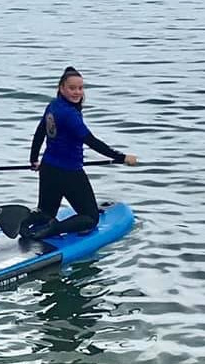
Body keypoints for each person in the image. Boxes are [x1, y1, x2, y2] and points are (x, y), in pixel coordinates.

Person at [22, 67, 138, 240]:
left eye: (80, 88)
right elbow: (92, 141)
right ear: (61, 88)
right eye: (72, 88)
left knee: (46, 212)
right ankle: (54, 228)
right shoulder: (70, 115)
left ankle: (24, 223)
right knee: (91, 218)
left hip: (48, 168)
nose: (77, 92)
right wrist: (122, 157)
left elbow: (40, 133)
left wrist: (33, 160)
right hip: (69, 173)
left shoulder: (53, 106)